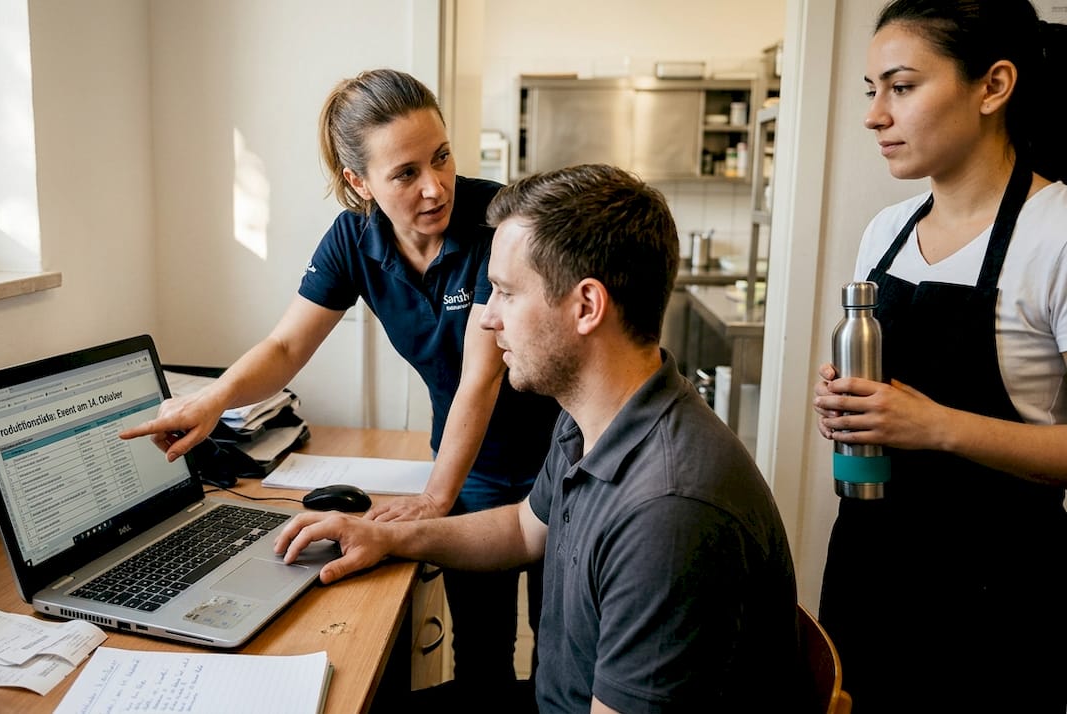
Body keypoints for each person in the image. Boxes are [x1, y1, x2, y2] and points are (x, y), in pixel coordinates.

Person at [275, 164, 801, 713]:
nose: (487, 319)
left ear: (586, 307)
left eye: (505, 292)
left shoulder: (669, 512)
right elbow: (524, 529)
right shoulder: (590, 419)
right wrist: (388, 538)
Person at [120, 69, 560, 690]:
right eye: (405, 173)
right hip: (471, 465)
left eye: (441, 157)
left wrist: (433, 502)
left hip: (556, 456)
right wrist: (213, 399)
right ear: (359, 182)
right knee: (481, 659)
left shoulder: (496, 223)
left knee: (559, 657)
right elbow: (285, 345)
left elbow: (480, 379)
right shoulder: (354, 240)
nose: (435, 187)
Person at [812, 2, 1067, 711]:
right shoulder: (887, 231)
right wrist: (847, 404)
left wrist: (936, 427)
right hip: (868, 568)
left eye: (901, 87)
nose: (875, 116)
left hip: (997, 598)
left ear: (993, 86)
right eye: (872, 91)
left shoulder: (1056, 235)